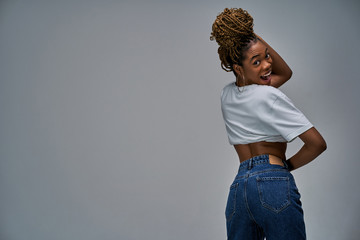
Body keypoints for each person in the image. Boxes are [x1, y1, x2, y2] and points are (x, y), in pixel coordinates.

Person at [210, 8, 327, 240]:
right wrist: (286, 167)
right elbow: (317, 144)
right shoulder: (268, 96)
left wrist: (242, 35)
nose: (267, 65)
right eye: (257, 62)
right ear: (238, 68)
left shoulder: (227, 95)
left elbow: (281, 73)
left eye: (267, 56)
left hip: (238, 190)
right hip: (272, 182)